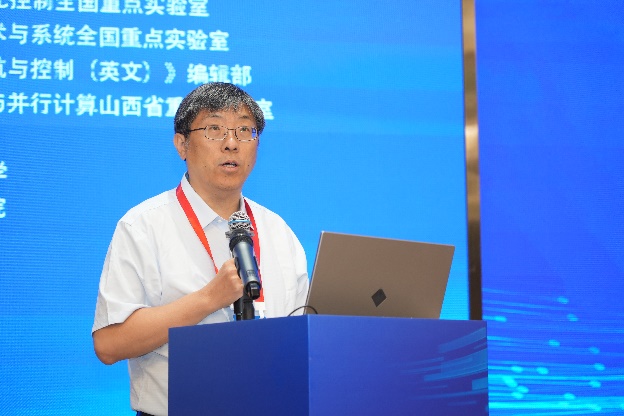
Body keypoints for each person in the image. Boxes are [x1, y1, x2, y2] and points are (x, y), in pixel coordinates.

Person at [92, 82, 309, 416]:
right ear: (182, 144)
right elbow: (109, 345)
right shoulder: (143, 226)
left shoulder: (278, 231)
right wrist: (208, 299)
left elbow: (303, 338)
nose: (232, 143)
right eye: (214, 129)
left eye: (245, 131)